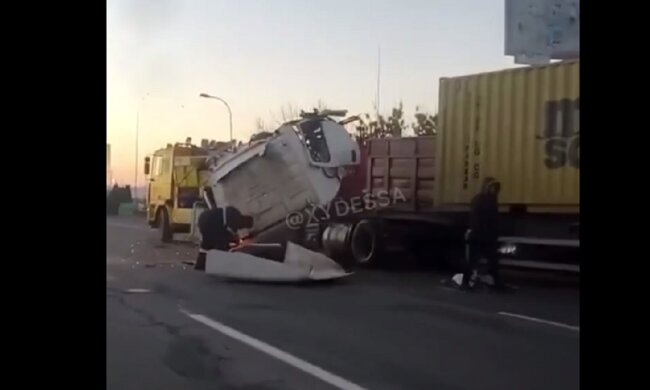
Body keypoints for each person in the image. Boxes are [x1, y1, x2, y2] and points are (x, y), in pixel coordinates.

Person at [461, 177, 506, 291]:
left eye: (495, 187)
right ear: (487, 187)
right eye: (492, 186)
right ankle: (465, 283)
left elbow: (494, 220)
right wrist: (474, 233)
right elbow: (475, 219)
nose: (494, 189)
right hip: (479, 236)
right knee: (472, 262)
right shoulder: (479, 200)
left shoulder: (492, 200)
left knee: (493, 261)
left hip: (488, 236)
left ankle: (497, 284)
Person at [194, 204, 254, 271]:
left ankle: (200, 265)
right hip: (211, 224)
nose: (241, 228)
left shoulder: (235, 211)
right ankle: (214, 266)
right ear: (245, 224)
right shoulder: (235, 223)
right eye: (244, 227)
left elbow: (228, 228)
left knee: (207, 244)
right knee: (219, 247)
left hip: (204, 217)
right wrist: (233, 240)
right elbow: (229, 235)